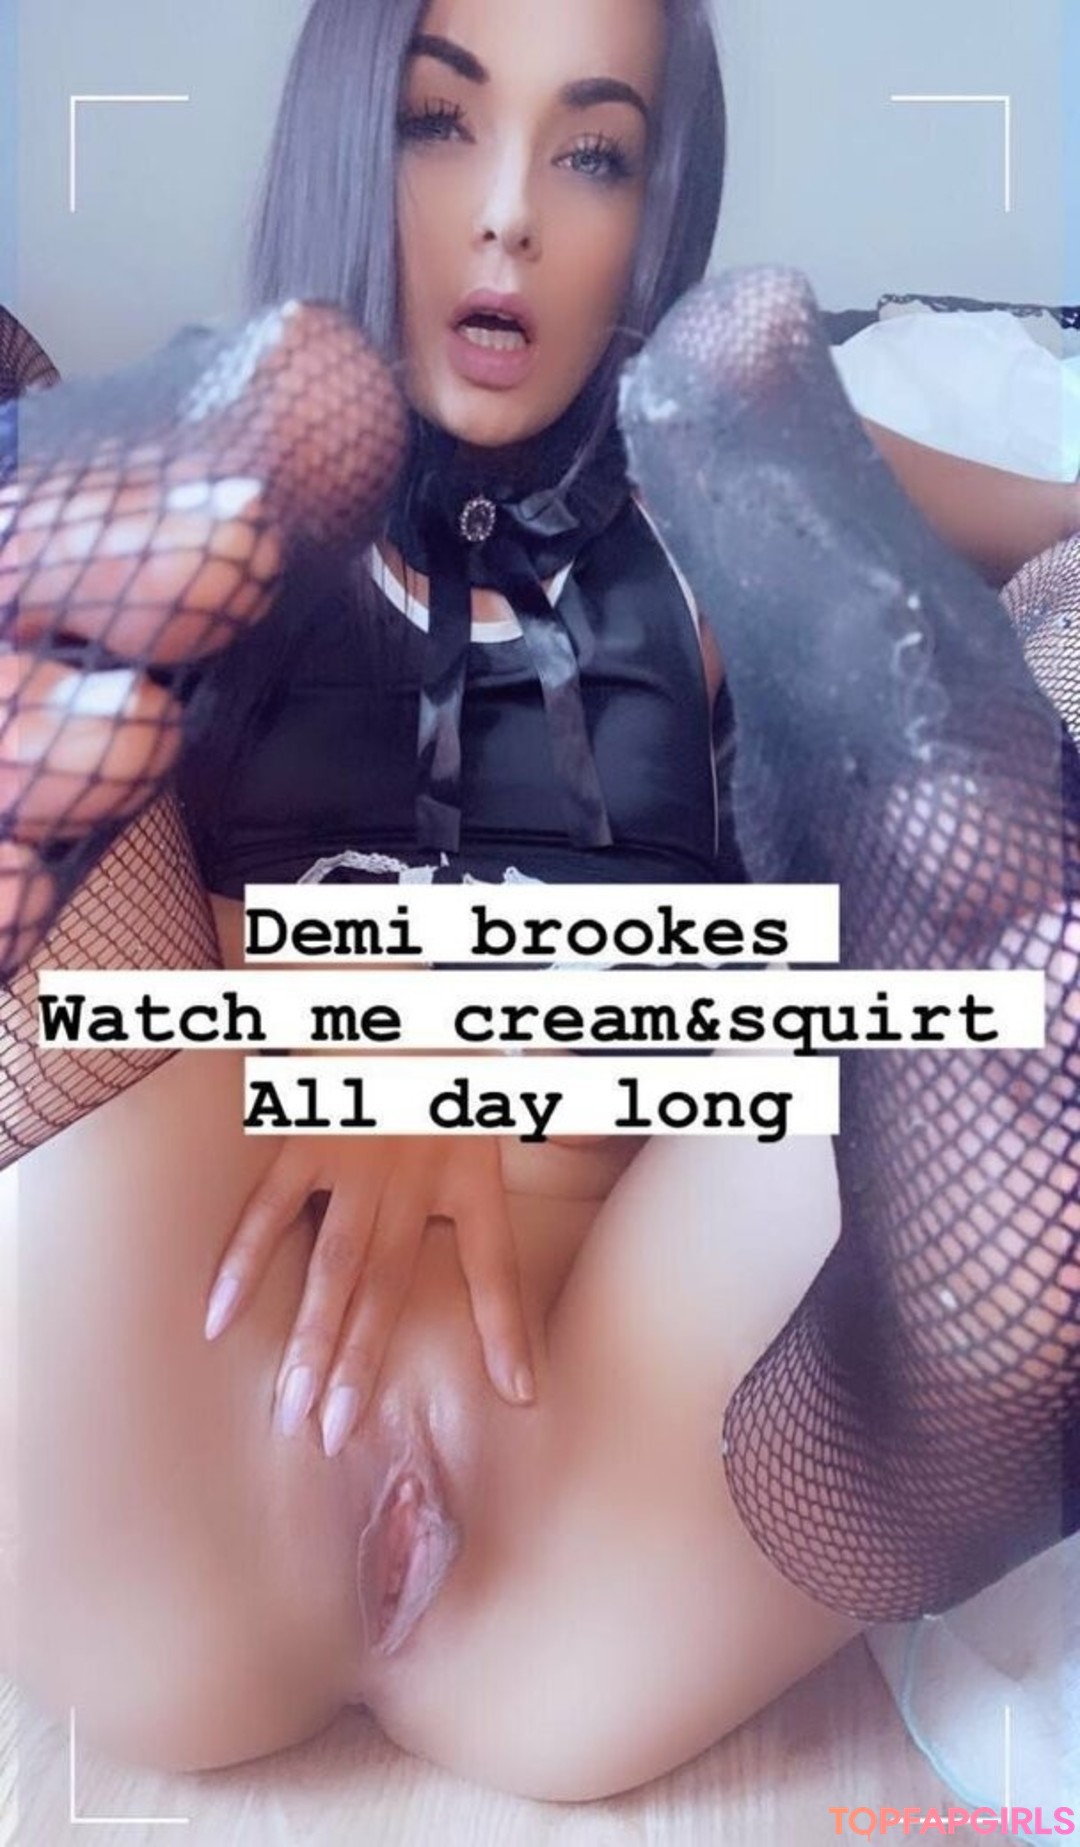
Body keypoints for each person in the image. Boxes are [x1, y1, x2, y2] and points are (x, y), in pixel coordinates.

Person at [1, 0, 1078, 1803]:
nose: (510, 209)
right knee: (84, 773)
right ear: (347, 141)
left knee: (964, 982)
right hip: (176, 1361)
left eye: (591, 152)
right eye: (441, 124)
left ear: (655, 207)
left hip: (625, 1452)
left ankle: (931, 811)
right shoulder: (225, 515)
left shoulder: (723, 483)